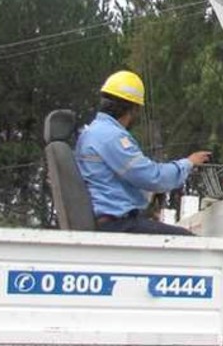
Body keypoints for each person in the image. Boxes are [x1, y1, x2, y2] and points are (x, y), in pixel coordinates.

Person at [76, 70, 212, 235]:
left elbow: (117, 179)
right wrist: (188, 163)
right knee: (189, 244)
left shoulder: (93, 132)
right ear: (132, 109)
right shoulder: (110, 136)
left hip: (108, 220)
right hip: (118, 224)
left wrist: (147, 197)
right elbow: (152, 177)